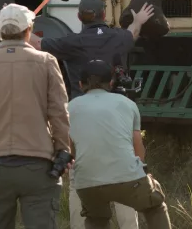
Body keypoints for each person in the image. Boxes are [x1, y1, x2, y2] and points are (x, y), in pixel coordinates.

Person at [30, 0, 154, 229]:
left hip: (80, 114)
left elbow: (37, 45)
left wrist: (20, 26)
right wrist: (138, 20)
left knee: (80, 170)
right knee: (123, 166)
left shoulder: (72, 42)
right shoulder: (118, 38)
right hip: (116, 112)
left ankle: (80, 221)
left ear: (79, 17)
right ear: (104, 15)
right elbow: (132, 33)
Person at [0, 3, 71, 228]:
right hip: (38, 164)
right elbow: (59, 113)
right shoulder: (46, 61)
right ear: (28, 30)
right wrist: (63, 150)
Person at [69, 60, 171, 229]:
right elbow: (138, 148)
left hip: (86, 182)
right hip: (128, 179)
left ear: (80, 84)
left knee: (96, 219)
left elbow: (71, 150)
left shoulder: (70, 107)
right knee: (155, 206)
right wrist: (141, 172)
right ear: (110, 82)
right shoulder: (128, 104)